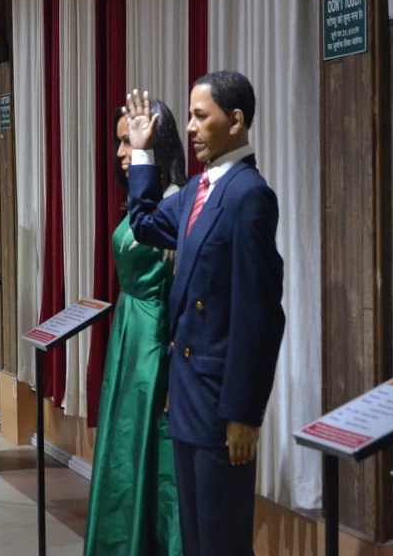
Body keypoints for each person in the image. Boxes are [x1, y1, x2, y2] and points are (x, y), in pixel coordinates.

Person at [125, 71, 285, 555]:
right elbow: (144, 224)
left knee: (221, 540)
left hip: (221, 404)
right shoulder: (199, 188)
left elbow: (259, 315)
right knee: (195, 538)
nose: (190, 128)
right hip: (188, 395)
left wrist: (244, 413)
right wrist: (142, 154)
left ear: (235, 121)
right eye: (190, 116)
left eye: (200, 116)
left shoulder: (249, 195)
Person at [85, 103, 186, 556]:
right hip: (127, 334)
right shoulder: (142, 204)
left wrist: (176, 365)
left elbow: (184, 289)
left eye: (130, 141)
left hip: (153, 341)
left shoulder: (175, 202)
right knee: (124, 446)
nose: (121, 152)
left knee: (152, 450)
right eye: (120, 142)